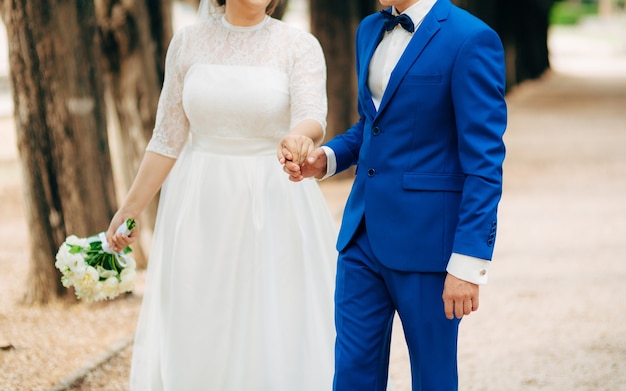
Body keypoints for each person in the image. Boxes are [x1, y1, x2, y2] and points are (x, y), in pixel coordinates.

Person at [106, 0, 338, 389]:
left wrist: (299, 136)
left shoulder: (299, 45)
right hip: (201, 205)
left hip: (274, 200)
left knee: (273, 318)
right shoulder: (186, 44)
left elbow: (312, 113)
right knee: (200, 317)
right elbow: (167, 139)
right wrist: (129, 210)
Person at [283, 0, 507, 390]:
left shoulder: (471, 39)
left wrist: (468, 263)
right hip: (361, 235)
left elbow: (484, 164)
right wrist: (327, 159)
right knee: (352, 372)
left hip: (428, 244)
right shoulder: (369, 29)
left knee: (432, 378)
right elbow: (372, 124)